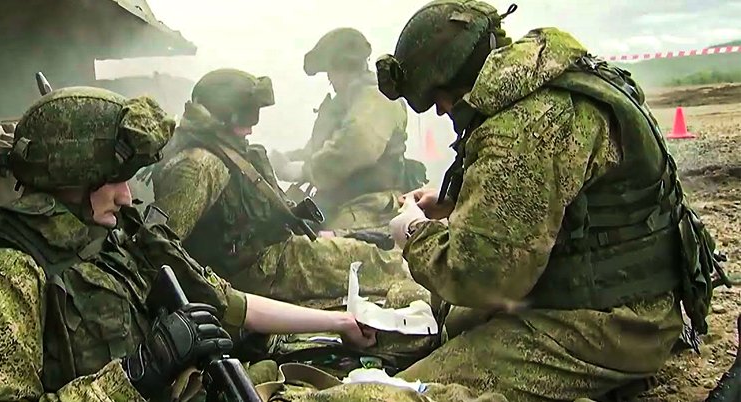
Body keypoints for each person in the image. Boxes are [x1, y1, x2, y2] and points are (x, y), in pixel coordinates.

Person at [263, 1, 725, 401]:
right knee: (438, 317)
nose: (441, 111)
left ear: (452, 77)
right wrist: (454, 200)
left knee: (398, 390)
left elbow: (480, 276)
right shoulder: (557, 84)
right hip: (617, 302)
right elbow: (565, 197)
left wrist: (414, 233)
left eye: (440, 98)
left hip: (605, 326)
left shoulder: (526, 125)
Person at [0, 86, 379, 402]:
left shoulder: (112, 238)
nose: (126, 195)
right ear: (73, 178)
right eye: (114, 179)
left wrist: (337, 322)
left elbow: (227, 300)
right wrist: (138, 373)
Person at [150, 68, 418, 308]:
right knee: (376, 266)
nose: (251, 128)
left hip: (274, 255)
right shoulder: (199, 165)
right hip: (258, 273)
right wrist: (215, 297)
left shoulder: (230, 153)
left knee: (374, 255)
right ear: (222, 114)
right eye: (246, 116)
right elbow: (157, 245)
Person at [270, 27, 427, 235]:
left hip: (368, 209)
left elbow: (356, 146)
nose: (330, 80)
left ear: (342, 68)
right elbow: (321, 148)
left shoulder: (376, 98)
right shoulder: (345, 103)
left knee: (307, 249)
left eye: (330, 72)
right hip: (340, 204)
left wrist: (305, 170)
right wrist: (286, 160)